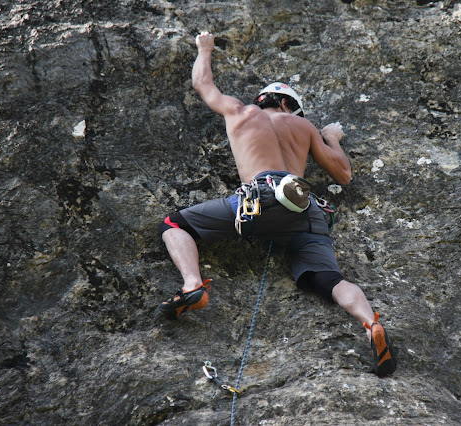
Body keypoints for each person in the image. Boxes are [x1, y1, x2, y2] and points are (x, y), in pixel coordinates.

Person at [158, 31, 396, 377]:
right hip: (304, 207)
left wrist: (204, 48)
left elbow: (202, 83)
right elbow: (343, 174)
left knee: (174, 224)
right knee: (328, 278)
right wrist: (331, 139)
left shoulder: (240, 112)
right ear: (287, 104)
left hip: (258, 199)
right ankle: (369, 322)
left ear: (266, 99)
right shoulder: (303, 126)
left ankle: (193, 285)